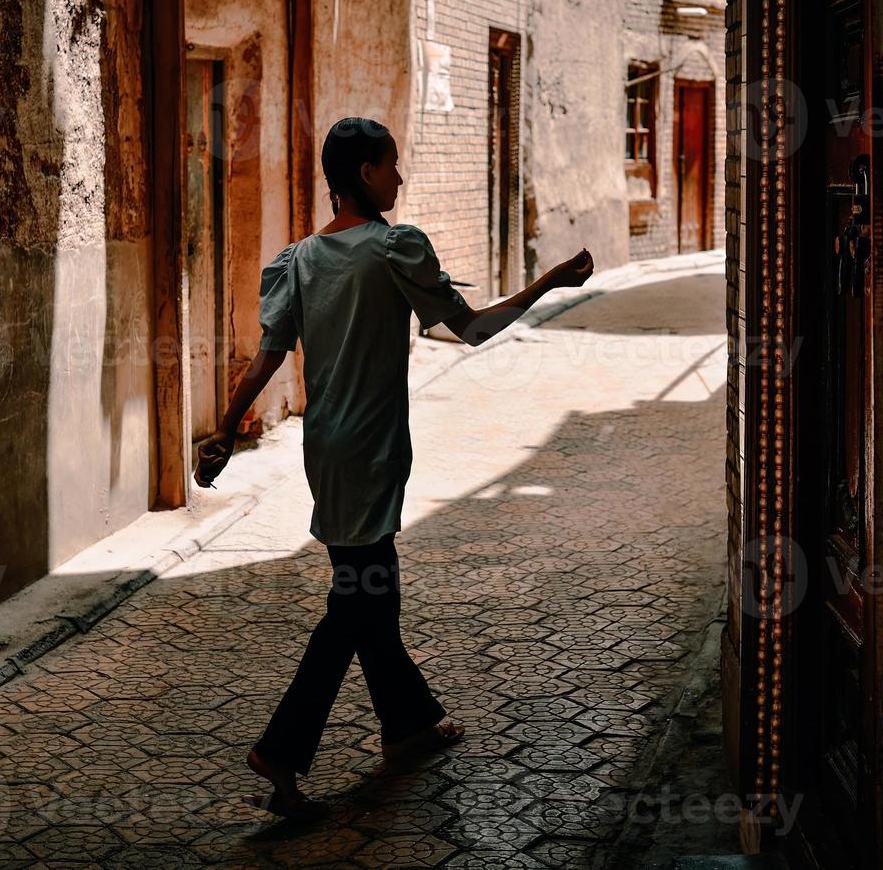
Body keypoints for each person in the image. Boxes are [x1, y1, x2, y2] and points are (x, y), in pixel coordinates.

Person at [195, 116, 595, 817]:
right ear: (365, 176)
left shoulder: (298, 259)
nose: (401, 178)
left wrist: (226, 429)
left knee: (372, 592)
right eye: (392, 166)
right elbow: (468, 329)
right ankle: (280, 751)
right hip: (373, 450)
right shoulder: (392, 248)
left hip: (328, 449)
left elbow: (268, 352)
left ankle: (408, 723)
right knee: (354, 605)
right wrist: (548, 284)